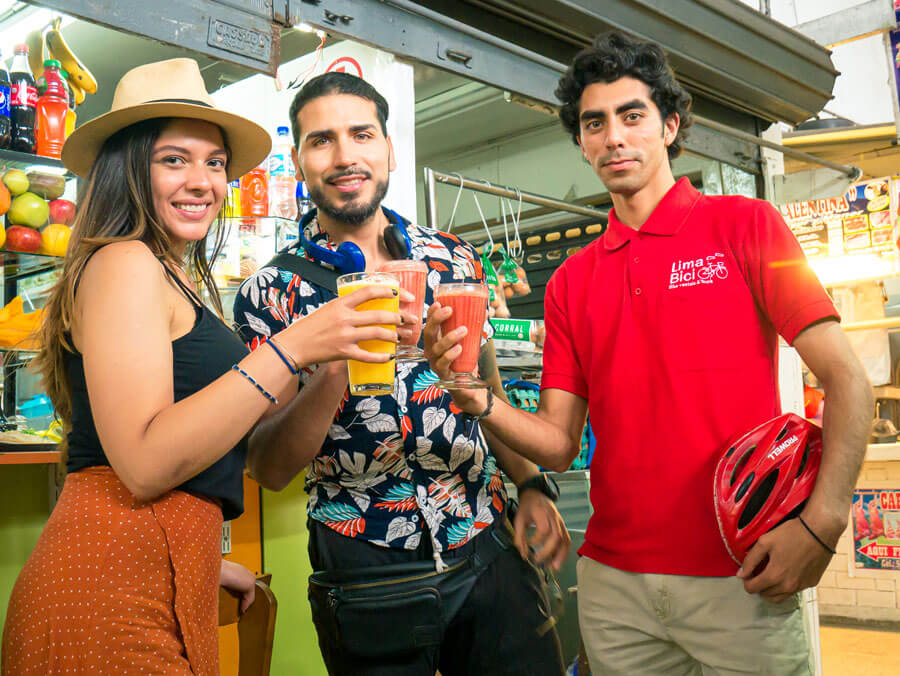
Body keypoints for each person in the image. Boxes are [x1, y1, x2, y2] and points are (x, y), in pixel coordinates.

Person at [425, 31, 873, 675]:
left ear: (670, 125)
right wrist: (480, 400)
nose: (614, 137)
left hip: (741, 576)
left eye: (632, 116)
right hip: (614, 587)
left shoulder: (747, 226)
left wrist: (821, 525)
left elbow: (847, 379)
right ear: (581, 142)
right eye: (594, 123)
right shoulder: (572, 282)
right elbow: (556, 440)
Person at [2, 58, 400, 675]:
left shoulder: (168, 274)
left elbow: (185, 442)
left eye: (214, 162)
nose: (203, 181)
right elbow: (142, 463)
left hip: (150, 569)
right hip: (105, 590)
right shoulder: (125, 262)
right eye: (174, 159)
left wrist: (199, 560)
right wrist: (292, 345)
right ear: (127, 168)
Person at [233, 71, 569, 675]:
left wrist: (531, 484)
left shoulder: (451, 256)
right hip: (364, 563)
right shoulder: (270, 291)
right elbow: (269, 466)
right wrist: (338, 359)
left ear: (388, 148)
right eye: (321, 141)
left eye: (361, 134)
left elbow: (484, 386)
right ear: (299, 160)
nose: (344, 157)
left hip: (485, 536)